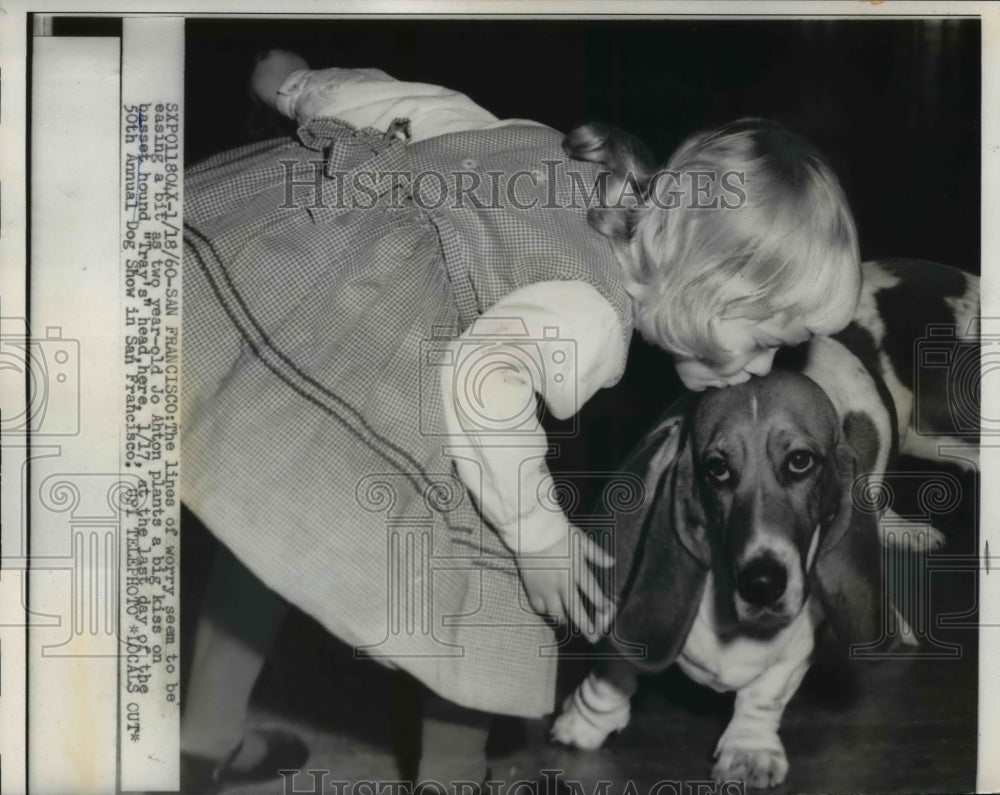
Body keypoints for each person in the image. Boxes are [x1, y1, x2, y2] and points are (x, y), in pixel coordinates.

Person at [180, 50, 860, 792]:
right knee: (494, 584)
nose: (760, 370)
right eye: (763, 339)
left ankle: (199, 740)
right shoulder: (593, 317)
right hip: (399, 376)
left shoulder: (564, 156)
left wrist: (301, 86)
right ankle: (454, 776)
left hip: (301, 305)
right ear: (707, 283)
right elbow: (480, 380)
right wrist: (541, 540)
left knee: (264, 520)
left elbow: (430, 112)